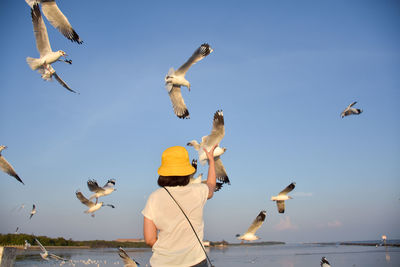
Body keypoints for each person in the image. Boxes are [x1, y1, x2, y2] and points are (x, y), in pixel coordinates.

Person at [142, 145, 217, 267]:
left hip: (162, 262)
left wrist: (168, 251)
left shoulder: (154, 198)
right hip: (195, 261)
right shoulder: (198, 191)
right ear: (187, 170)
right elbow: (211, 185)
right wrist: (211, 161)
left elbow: (149, 239)